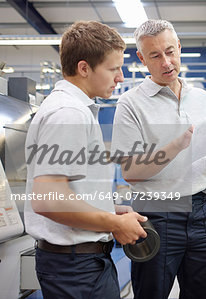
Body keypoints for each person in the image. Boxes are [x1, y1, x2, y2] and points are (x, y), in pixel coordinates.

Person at [111, 19, 206, 299]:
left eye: (170, 51)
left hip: (203, 212)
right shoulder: (130, 104)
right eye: (155, 55)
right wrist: (177, 145)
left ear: (179, 47)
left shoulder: (203, 99)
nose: (166, 62)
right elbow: (130, 172)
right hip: (156, 215)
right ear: (142, 58)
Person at [24, 21, 148, 299]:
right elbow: (48, 199)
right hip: (76, 269)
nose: (120, 77)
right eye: (114, 68)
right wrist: (114, 224)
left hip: (79, 265)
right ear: (84, 68)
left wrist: (108, 209)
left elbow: (66, 191)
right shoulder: (69, 114)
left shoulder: (73, 110)